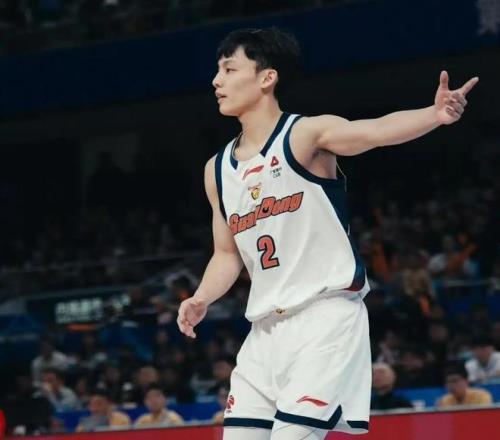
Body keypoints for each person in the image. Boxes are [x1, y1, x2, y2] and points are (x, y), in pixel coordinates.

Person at [176, 27, 478, 440]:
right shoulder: (217, 169)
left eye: (229, 69)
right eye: (217, 70)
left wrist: (434, 115)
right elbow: (227, 255)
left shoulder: (304, 135)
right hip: (264, 331)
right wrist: (201, 297)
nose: (216, 80)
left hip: (324, 317)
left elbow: (374, 131)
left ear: (267, 77)